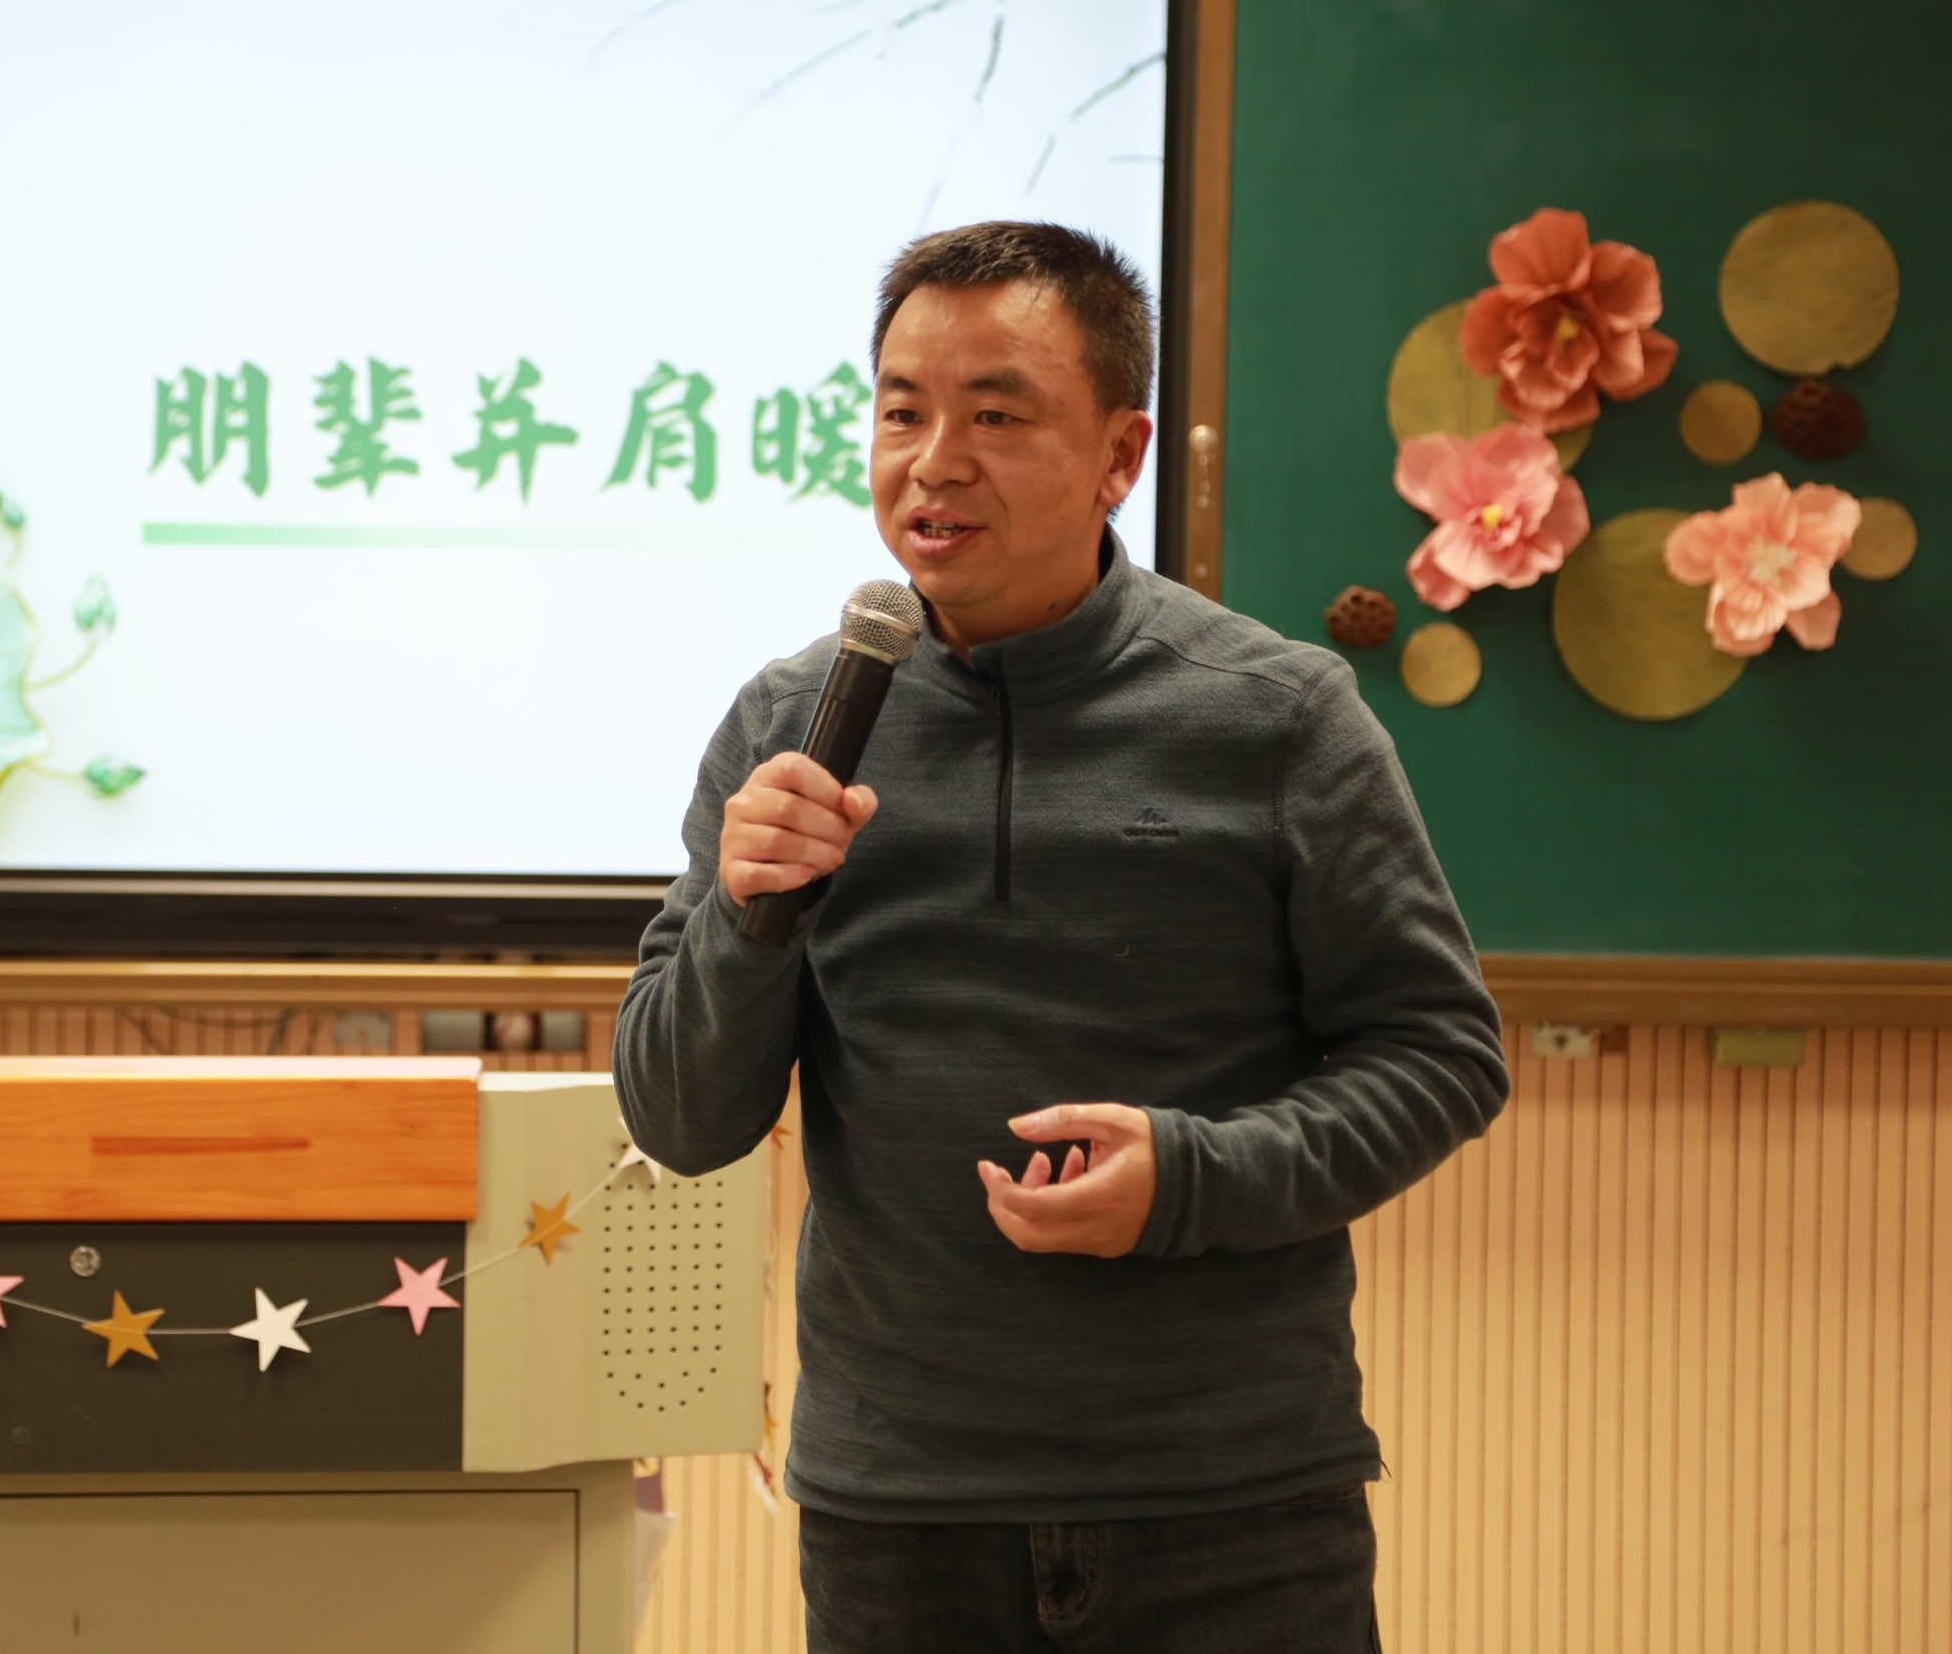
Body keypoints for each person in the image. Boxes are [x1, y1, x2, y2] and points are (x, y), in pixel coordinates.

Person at [614, 221, 1507, 1653]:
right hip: (901, 1513)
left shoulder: (1276, 716)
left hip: (1231, 1502)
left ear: (1120, 456)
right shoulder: (792, 722)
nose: (932, 462)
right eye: (901, 412)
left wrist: (1193, 1179)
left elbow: (1441, 1055)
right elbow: (678, 1119)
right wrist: (744, 918)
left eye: (997, 414)